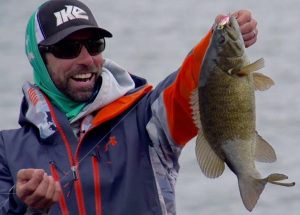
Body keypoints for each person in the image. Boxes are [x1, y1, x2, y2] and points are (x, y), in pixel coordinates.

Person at [0, 0, 258, 214]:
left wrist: (220, 35)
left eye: (94, 45)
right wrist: (21, 205)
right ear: (38, 58)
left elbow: (188, 85)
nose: (87, 59)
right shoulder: (6, 151)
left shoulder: (149, 118)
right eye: (68, 49)